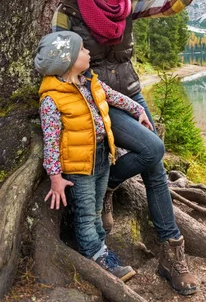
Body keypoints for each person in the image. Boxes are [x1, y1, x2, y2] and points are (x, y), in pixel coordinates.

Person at [51, 0, 206, 296]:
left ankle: (171, 255)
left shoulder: (124, 3)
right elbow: (58, 61)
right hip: (96, 97)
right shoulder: (68, 11)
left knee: (155, 167)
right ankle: (110, 182)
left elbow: (169, 5)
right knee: (152, 150)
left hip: (130, 92)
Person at [35, 30, 155, 281]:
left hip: (101, 157)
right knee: (87, 212)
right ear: (66, 61)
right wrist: (55, 177)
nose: (88, 51)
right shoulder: (52, 100)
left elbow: (115, 97)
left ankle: (101, 247)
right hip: (79, 167)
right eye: (81, 50)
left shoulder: (90, 82)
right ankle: (94, 253)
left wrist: (138, 110)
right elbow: (51, 140)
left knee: (98, 206)